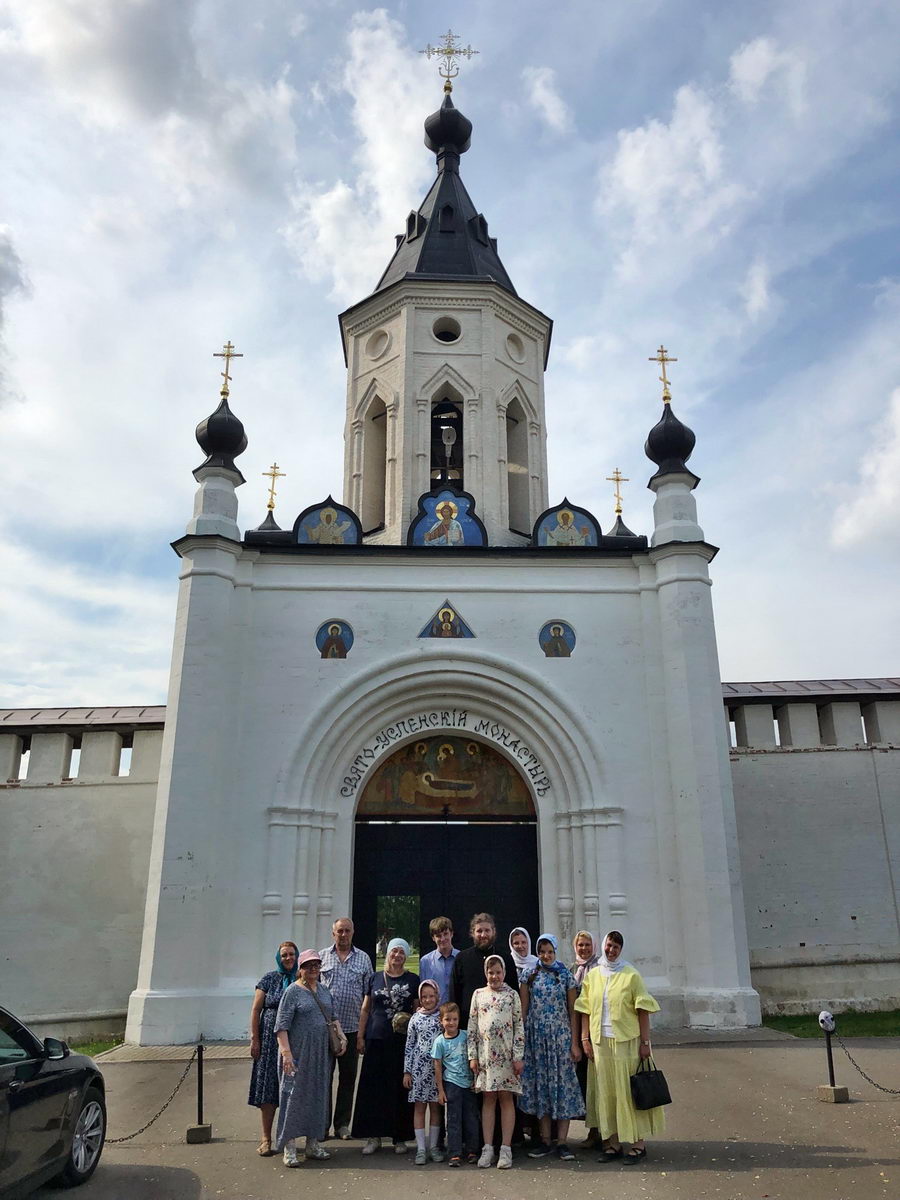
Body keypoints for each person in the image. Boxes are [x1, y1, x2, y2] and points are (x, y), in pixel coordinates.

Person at [575, 930, 665, 1164]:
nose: (611, 950)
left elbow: (642, 1010)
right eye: (608, 945)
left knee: (629, 1092)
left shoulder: (631, 975)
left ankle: (637, 1144)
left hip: (626, 1042)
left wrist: (645, 1042)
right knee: (607, 1093)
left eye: (616, 947)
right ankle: (611, 1143)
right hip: (600, 1042)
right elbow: (584, 1008)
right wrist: (585, 1038)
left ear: (621, 950)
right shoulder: (593, 975)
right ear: (603, 946)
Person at [519, 933, 584, 1160]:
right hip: (537, 1040)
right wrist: (522, 1042)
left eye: (550, 951)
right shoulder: (529, 975)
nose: (546, 956)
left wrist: (575, 1043)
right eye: (542, 951)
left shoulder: (565, 976)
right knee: (542, 1088)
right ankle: (545, 1140)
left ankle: (563, 1141)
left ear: (555, 951)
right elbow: (524, 1011)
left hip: (560, 1037)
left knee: (563, 1087)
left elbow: (573, 1011)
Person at [352, 937, 419, 1155]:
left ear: (406, 956)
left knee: (400, 1089)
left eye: (402, 952)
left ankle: (400, 1137)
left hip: (402, 1043)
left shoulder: (413, 979)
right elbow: (365, 1009)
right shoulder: (374, 978)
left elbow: (418, 1011)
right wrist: (360, 1036)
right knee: (374, 1089)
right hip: (376, 1039)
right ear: (387, 953)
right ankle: (374, 1136)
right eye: (394, 951)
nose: (397, 956)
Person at [274, 948, 340, 1166]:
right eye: (308, 965)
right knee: (293, 1097)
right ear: (300, 969)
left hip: (320, 1054)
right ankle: (290, 1146)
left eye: (316, 965)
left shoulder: (323, 990)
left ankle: (313, 1144)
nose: (313, 969)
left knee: (317, 1096)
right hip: (297, 1054)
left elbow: (332, 1017)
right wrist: (286, 1054)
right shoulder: (293, 991)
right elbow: (281, 1026)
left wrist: (341, 1037)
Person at [318, 916, 374, 1139]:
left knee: (348, 1079)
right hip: (325, 1029)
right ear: (333, 933)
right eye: (339, 931)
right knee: (324, 1078)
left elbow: (368, 997)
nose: (343, 935)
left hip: (350, 1030)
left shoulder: (363, 959)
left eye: (347, 931)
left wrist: (362, 1034)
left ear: (353, 932)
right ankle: (321, 1125)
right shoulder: (321, 957)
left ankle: (342, 1125)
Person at [468, 954, 524, 1169]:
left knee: (506, 1099)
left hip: (507, 1057)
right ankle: (488, 1148)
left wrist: (518, 1056)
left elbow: (519, 1026)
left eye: (498, 972)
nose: (495, 976)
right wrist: (472, 1055)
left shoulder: (511, 995)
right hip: (486, 1058)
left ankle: (506, 1149)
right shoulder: (478, 994)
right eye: (491, 972)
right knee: (488, 1100)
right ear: (486, 973)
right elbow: (472, 1026)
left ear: (504, 973)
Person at [248, 941, 298, 1156]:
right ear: (279, 958)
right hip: (269, 1042)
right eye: (284, 955)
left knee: (292, 1089)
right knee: (269, 1089)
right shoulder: (269, 979)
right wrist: (255, 1038)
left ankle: (289, 1138)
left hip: (294, 1041)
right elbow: (256, 1009)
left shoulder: (301, 978)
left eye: (292, 955)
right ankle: (266, 1137)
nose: (288, 958)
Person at [450, 913, 518, 1030]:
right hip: (468, 1025)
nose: (483, 935)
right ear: (472, 933)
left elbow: (514, 991)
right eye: (479, 931)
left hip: (500, 1027)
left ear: (494, 931)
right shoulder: (462, 958)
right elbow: (454, 994)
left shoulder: (506, 958)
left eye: (487, 930)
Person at [433, 1001, 480, 1167]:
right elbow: (437, 1066)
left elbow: (474, 1058)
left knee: (471, 1118)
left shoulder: (466, 1036)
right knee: (453, 1119)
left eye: (454, 1019)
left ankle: (473, 1150)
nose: (451, 1023)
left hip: (468, 1084)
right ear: (441, 1021)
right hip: (451, 1084)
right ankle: (454, 1152)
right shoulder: (439, 1042)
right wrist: (440, 1090)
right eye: (447, 1019)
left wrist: (476, 1080)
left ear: (459, 1020)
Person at [403, 980, 443, 1164]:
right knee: (420, 1108)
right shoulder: (415, 1018)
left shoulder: (441, 1017)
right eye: (424, 997)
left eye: (431, 996)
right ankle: (420, 1148)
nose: (428, 1000)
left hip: (437, 1071)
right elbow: (410, 1045)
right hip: (419, 1069)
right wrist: (407, 1072)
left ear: (437, 996)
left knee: (435, 1108)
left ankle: (434, 1146)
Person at [569, 930, 601, 1147]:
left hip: (595, 1031)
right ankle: (592, 1130)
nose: (584, 949)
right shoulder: (571, 969)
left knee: (598, 1083)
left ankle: (602, 1131)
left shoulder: (600, 969)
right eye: (580, 945)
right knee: (583, 1083)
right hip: (576, 1030)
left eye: (587, 945)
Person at [420, 916, 459, 1003]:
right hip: (434, 1012)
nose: (442, 939)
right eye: (438, 936)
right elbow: (422, 991)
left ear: (451, 933)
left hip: (456, 1013)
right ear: (433, 938)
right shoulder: (425, 962)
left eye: (445, 934)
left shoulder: (461, 958)